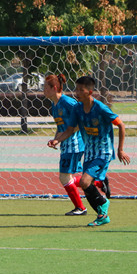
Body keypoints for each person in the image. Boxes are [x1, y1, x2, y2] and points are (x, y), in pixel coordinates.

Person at [49, 76, 130, 226]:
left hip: (103, 152)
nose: (77, 92)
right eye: (76, 89)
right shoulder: (77, 108)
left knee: (85, 181)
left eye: (81, 90)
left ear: (90, 92)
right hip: (89, 152)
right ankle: (102, 215)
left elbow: (121, 125)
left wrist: (120, 150)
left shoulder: (100, 108)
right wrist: (57, 140)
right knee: (86, 186)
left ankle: (103, 203)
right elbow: (70, 129)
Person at [43, 74, 89, 215]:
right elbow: (61, 125)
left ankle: (80, 208)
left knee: (64, 177)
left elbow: (79, 121)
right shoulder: (54, 104)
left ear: (54, 88)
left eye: (45, 87)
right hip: (67, 143)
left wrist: (61, 138)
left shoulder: (67, 102)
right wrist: (55, 138)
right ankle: (98, 182)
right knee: (68, 177)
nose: (43, 90)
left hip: (73, 144)